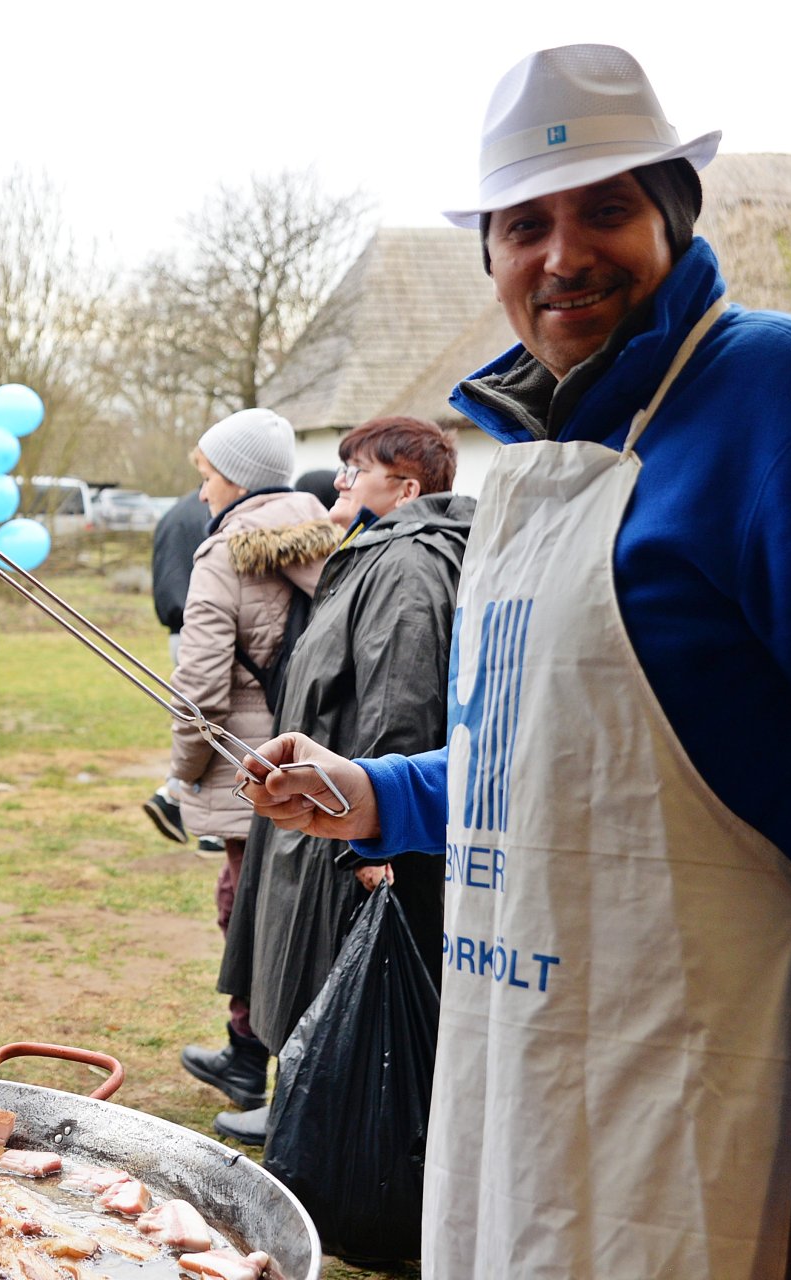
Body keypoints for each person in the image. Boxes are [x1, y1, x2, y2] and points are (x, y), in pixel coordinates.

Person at [242, 45, 791, 1279]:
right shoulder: (528, 454)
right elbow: (544, 771)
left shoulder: (778, 397)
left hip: (708, 1070)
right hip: (518, 1053)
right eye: (526, 225)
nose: (564, 254)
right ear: (493, 257)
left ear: (673, 217)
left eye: (606, 210)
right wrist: (375, 792)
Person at [198, 415, 472, 1146]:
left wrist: (376, 828)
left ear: (406, 486)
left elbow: (401, 699)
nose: (339, 482)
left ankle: (327, 1126)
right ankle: (304, 1107)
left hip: (355, 809)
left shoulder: (410, 563)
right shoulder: (374, 549)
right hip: (328, 801)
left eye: (356, 470)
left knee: (339, 968)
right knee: (300, 959)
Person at [154, 408, 334, 1124]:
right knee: (296, 911)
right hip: (322, 756)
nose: (202, 493)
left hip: (250, 761)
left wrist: (185, 769)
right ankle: (249, 1054)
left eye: (208, 476)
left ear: (239, 480)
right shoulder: (332, 538)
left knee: (247, 908)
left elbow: (198, 686)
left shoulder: (226, 552)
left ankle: (261, 1061)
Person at [142, 488, 212, 846]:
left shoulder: (173, 512)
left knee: (198, 718)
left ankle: (174, 795)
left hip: (178, 629)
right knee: (208, 721)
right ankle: (175, 797)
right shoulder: (211, 512)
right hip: (206, 631)